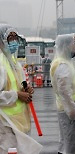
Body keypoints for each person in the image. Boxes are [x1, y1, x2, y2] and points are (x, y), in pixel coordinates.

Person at [0, 24, 42, 154]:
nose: (13, 41)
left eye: (15, 37)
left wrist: (26, 90)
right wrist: (17, 95)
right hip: (5, 123)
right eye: (9, 37)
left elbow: (19, 85)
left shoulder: (14, 62)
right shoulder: (1, 64)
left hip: (19, 120)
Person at [50, 34, 75, 154]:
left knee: (69, 143)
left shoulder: (68, 61)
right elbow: (64, 91)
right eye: (73, 44)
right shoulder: (62, 65)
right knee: (72, 145)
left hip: (73, 107)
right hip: (71, 109)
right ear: (66, 46)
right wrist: (71, 111)